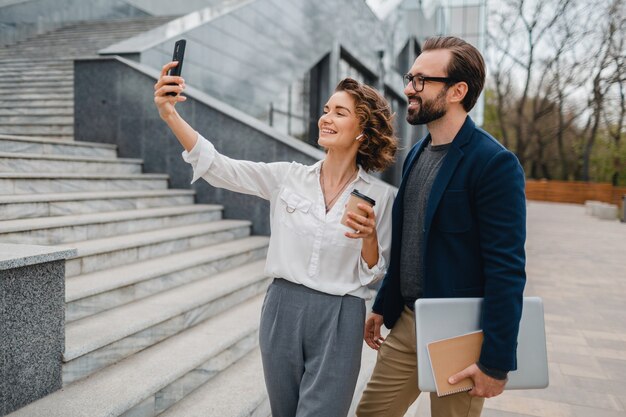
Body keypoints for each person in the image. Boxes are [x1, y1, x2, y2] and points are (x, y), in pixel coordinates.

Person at [154, 70, 398, 417]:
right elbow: (219, 167)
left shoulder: (379, 198)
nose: (325, 118)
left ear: (363, 130)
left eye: (339, 113)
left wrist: (369, 236)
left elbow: (374, 272)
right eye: (326, 109)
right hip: (282, 307)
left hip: (340, 316)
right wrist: (169, 114)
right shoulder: (288, 177)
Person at [356, 36, 527, 417]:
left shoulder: (494, 163)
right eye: (409, 77)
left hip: (460, 332)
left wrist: (495, 362)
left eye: (420, 80)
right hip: (407, 323)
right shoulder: (416, 153)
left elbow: (507, 269)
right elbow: (408, 242)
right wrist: (384, 304)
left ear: (457, 91)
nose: (407, 89)